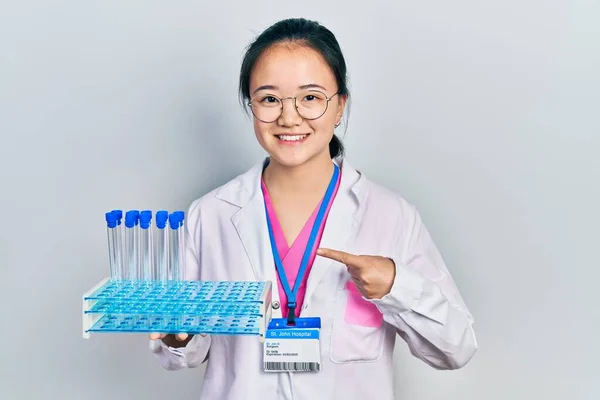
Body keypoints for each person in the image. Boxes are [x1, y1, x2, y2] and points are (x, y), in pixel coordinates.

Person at [148, 17, 477, 400]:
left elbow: (456, 348)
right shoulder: (211, 215)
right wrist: (177, 334)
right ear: (250, 106)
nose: (289, 117)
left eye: (310, 97)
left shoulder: (391, 215)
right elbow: (180, 354)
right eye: (269, 99)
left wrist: (395, 285)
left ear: (339, 106)